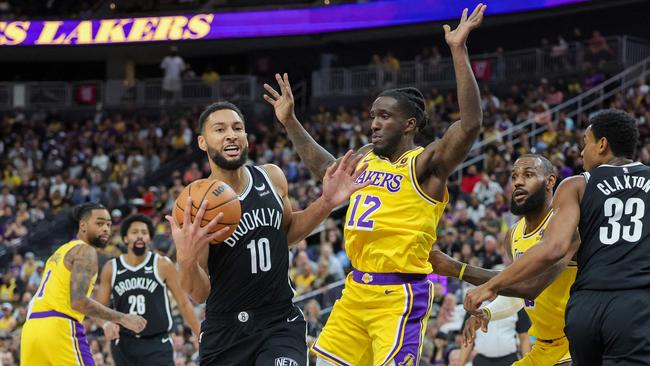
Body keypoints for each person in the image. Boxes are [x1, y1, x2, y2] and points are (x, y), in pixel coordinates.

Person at [263, 4, 486, 365]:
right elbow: (325, 166)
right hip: (355, 291)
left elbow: (470, 125)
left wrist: (458, 50)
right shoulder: (365, 158)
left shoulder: (425, 165)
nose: (374, 124)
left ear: (409, 124)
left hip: (399, 294)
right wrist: (290, 122)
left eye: (385, 117)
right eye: (372, 117)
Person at [166, 101, 368, 366]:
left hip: (278, 322)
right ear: (203, 142)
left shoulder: (271, 178)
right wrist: (187, 259)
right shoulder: (197, 204)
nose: (231, 134)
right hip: (225, 330)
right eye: (220, 129)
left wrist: (326, 202)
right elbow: (199, 294)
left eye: (238, 128)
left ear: (246, 138)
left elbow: (286, 235)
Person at [465, 109, 650, 365]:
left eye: (584, 144)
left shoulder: (576, 184)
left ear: (602, 144)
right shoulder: (515, 231)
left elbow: (553, 247)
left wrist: (489, 284)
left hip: (586, 309)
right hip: (635, 303)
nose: (582, 152)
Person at [430, 154, 577, 365]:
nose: (517, 181)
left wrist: (458, 269)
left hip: (574, 344)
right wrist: (488, 313)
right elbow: (517, 292)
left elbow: (531, 286)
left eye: (528, 175)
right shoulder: (514, 234)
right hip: (544, 347)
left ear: (550, 181)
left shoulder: (563, 226)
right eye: (514, 176)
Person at [20, 203, 146, 366]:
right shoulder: (85, 251)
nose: (106, 229)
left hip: (32, 329)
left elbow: (68, 297)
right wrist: (123, 318)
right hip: (59, 327)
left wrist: (106, 323)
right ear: (83, 225)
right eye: (99, 223)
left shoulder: (60, 251)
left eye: (108, 224)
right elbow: (78, 301)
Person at [96, 214, 201, 366]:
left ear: (150, 239)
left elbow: (184, 303)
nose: (140, 236)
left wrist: (200, 335)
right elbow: (99, 308)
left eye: (144, 233)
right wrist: (106, 324)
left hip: (157, 343)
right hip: (124, 345)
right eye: (135, 232)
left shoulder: (162, 265)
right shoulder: (111, 268)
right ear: (125, 239)